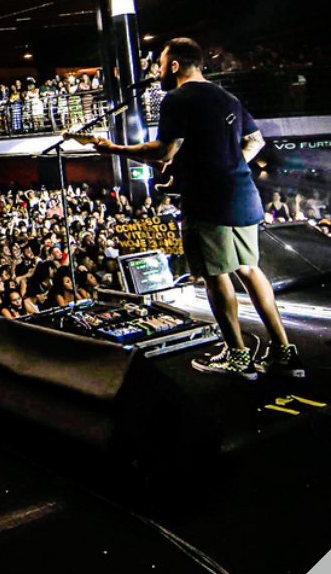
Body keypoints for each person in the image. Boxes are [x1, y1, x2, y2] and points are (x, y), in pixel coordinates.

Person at [88, 37, 301, 379]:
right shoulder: (227, 97)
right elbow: (255, 140)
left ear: (174, 65)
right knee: (249, 268)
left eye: (160, 64)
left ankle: (238, 355)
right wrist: (227, 166)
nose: (158, 71)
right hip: (242, 194)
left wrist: (113, 148)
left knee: (216, 275)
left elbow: (163, 151)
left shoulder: (178, 98)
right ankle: (284, 350)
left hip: (208, 202)